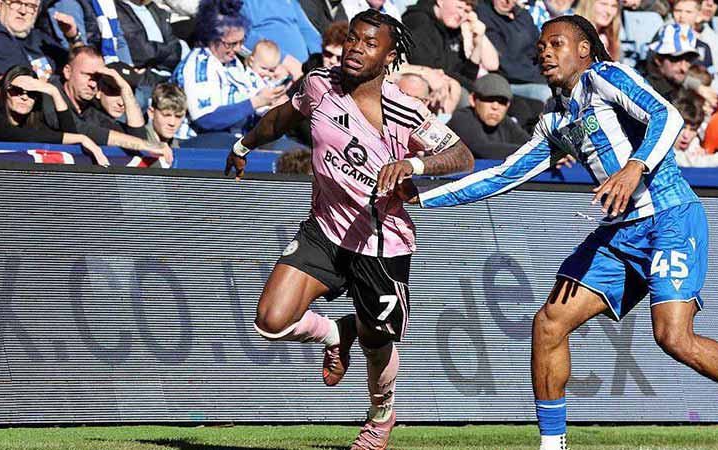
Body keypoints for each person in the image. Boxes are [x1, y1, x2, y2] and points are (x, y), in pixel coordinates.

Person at [412, 14, 718, 450]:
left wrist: (635, 166)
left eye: (555, 43)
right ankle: (553, 446)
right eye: (541, 46)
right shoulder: (555, 116)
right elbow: (504, 175)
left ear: (583, 48)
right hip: (619, 234)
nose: (544, 51)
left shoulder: (605, 78)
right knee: (549, 324)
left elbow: (666, 115)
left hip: (670, 216)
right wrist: (424, 197)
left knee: (673, 336)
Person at [224, 10, 474, 449]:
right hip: (325, 230)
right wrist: (244, 145)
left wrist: (413, 164)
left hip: (381, 243)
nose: (356, 49)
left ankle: (380, 418)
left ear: (389, 55)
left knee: (377, 343)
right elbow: (282, 117)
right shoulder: (320, 84)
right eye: (352, 40)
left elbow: (461, 157)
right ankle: (338, 332)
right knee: (270, 321)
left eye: (369, 43)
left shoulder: (405, 109)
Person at [172, 0, 288, 147]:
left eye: (241, 42)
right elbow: (206, 119)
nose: (238, 49)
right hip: (199, 143)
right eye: (231, 44)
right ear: (212, 38)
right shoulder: (199, 64)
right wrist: (257, 101)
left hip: (235, 138)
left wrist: (273, 104)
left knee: (290, 149)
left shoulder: (233, 62)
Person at [42, 45, 172, 161]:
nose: (92, 84)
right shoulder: (48, 93)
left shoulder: (91, 109)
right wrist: (144, 144)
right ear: (67, 72)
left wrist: (125, 89)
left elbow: (136, 138)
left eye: (97, 78)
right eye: (86, 75)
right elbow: (77, 128)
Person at [0, 64, 109, 165]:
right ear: (2, 91)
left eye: (32, 93)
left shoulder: (36, 123)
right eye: (16, 91)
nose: (25, 97)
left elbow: (71, 143)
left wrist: (54, 92)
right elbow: (17, 135)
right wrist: (81, 138)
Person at [402, 0, 499, 92]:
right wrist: (472, 88)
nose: (461, 14)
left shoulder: (453, 29)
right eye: (459, 7)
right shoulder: (418, 21)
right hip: (416, 85)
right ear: (440, 1)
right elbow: (430, 68)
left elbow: (468, 75)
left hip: (450, 87)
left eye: (466, 11)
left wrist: (478, 43)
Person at [478, 0, 550, 103]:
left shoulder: (522, 14)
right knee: (549, 94)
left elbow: (539, 45)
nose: (507, 2)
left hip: (537, 75)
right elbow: (506, 63)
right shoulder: (484, 13)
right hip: (510, 81)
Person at [447, 73, 530, 159]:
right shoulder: (462, 118)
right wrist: (529, 153)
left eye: (502, 102)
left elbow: (531, 145)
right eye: (489, 99)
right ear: (473, 100)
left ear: (508, 105)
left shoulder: (506, 122)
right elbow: (481, 148)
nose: (495, 107)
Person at [0, 0, 81, 79]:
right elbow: (18, 81)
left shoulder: (40, 39)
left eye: (31, 6)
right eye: (16, 3)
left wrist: (73, 38)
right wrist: (53, 91)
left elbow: (82, 67)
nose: (23, 11)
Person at [146, 82, 187, 148]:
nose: (172, 123)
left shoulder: (179, 148)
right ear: (151, 113)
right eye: (166, 115)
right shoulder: (136, 141)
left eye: (178, 116)